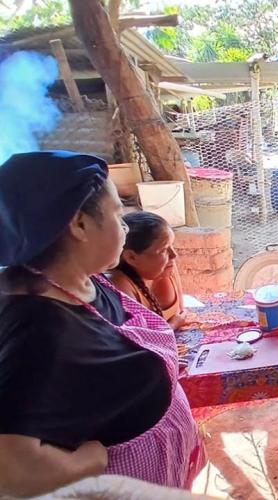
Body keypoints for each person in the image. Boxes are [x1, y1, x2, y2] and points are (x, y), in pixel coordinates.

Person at [0, 152, 204, 497]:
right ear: (79, 224)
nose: (125, 227)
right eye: (117, 214)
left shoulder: (83, 279)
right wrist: (92, 460)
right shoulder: (38, 327)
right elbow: (12, 469)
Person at [108, 211, 185, 330]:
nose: (173, 255)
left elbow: (181, 312)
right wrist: (173, 325)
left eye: (172, 246)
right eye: (163, 250)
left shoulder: (167, 267)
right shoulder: (121, 285)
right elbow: (139, 338)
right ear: (131, 257)